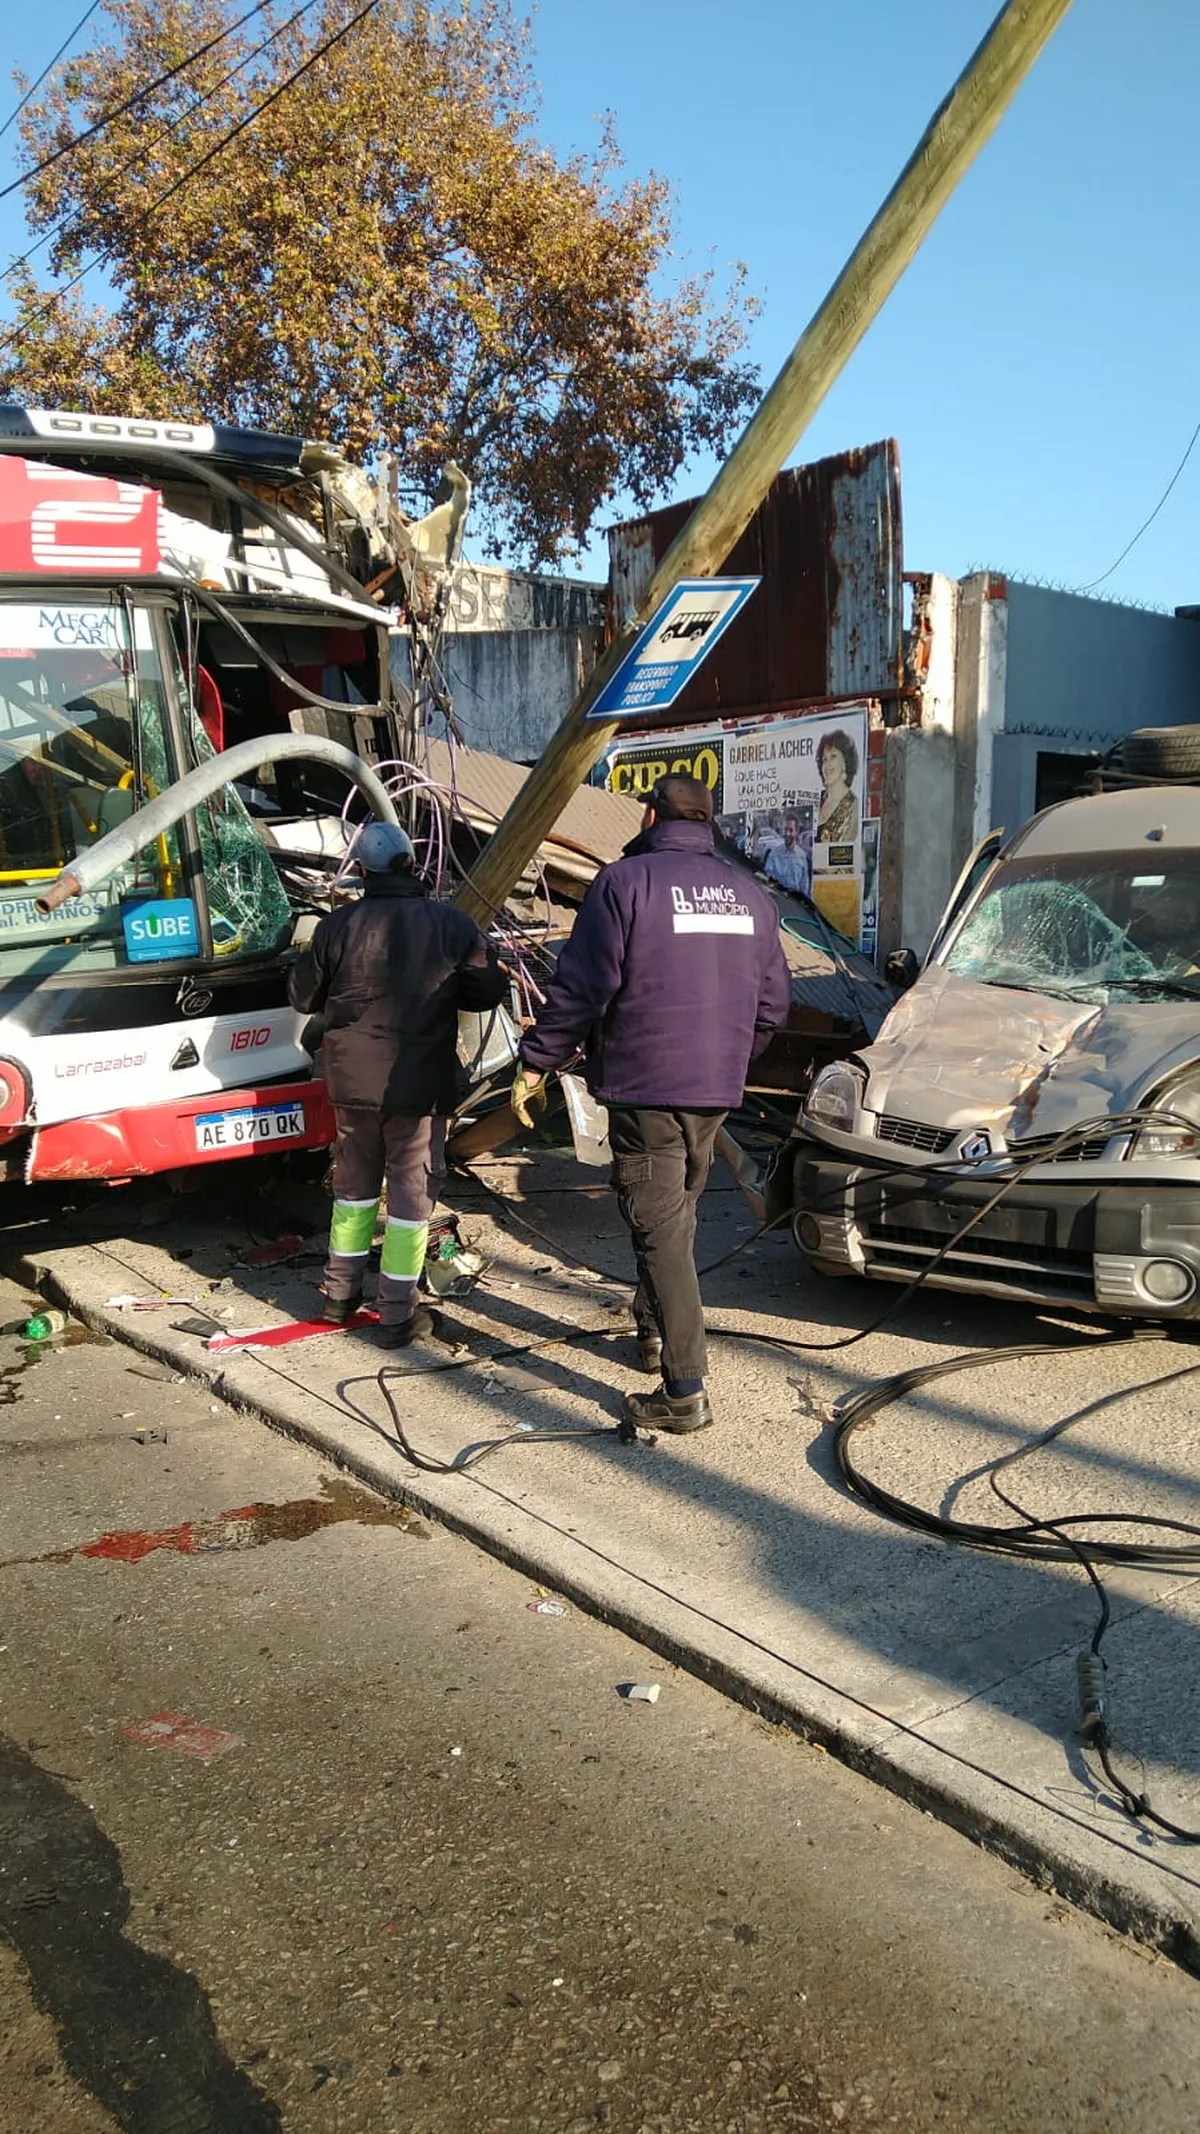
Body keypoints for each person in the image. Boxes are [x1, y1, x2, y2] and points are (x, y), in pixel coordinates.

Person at [511, 774, 791, 1435]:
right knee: (672, 1217)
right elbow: (775, 1005)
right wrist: (726, 1058)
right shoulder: (752, 896)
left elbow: (582, 988)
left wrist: (536, 1061)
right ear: (708, 822)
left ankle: (685, 1389)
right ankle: (653, 1332)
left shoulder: (623, 884)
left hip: (645, 1086)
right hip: (714, 1088)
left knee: (659, 1221)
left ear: (649, 813)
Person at [287, 819, 507, 1345]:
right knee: (411, 1201)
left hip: (351, 1084)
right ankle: (395, 1315)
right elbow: (487, 989)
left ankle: (338, 1297)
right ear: (413, 863)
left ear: (362, 870)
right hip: (418, 1085)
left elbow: (301, 996)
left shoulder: (336, 926)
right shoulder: (451, 924)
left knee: (353, 1192)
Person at [816, 730, 860, 844]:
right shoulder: (818, 799)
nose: (827, 765)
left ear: (845, 762)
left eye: (833, 756)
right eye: (824, 759)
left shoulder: (851, 805)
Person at [762, 813, 811, 896]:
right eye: (785, 830)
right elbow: (767, 880)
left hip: (795, 903)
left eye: (791, 830)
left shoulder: (802, 856)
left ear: (797, 832)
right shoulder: (773, 854)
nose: (787, 834)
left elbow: (804, 887)